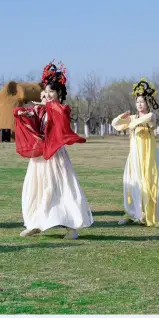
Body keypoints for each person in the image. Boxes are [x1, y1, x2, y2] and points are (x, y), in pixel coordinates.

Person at [14, 61, 93, 240]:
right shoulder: (40, 110)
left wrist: (42, 107)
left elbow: (58, 118)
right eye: (46, 92)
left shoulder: (61, 109)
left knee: (60, 188)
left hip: (55, 156)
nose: (48, 95)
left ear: (59, 93)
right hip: (40, 156)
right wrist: (23, 114)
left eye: (52, 92)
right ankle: (35, 223)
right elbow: (23, 112)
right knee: (36, 188)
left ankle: (71, 227)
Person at [111, 79, 159, 227]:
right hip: (135, 157)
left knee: (149, 182)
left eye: (142, 102)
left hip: (149, 157)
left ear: (148, 103)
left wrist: (133, 123)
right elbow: (115, 125)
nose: (139, 104)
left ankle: (149, 213)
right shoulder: (132, 118)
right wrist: (121, 117)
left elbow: (150, 117)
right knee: (133, 183)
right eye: (137, 101)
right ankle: (133, 213)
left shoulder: (150, 117)